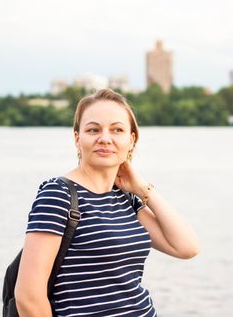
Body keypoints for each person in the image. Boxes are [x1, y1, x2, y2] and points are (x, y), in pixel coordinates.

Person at [15, 88, 199, 316]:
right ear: (77, 138)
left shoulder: (126, 198)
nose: (105, 138)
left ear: (131, 140)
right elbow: (28, 297)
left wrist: (142, 188)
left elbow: (186, 247)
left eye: (117, 130)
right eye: (93, 129)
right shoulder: (58, 194)